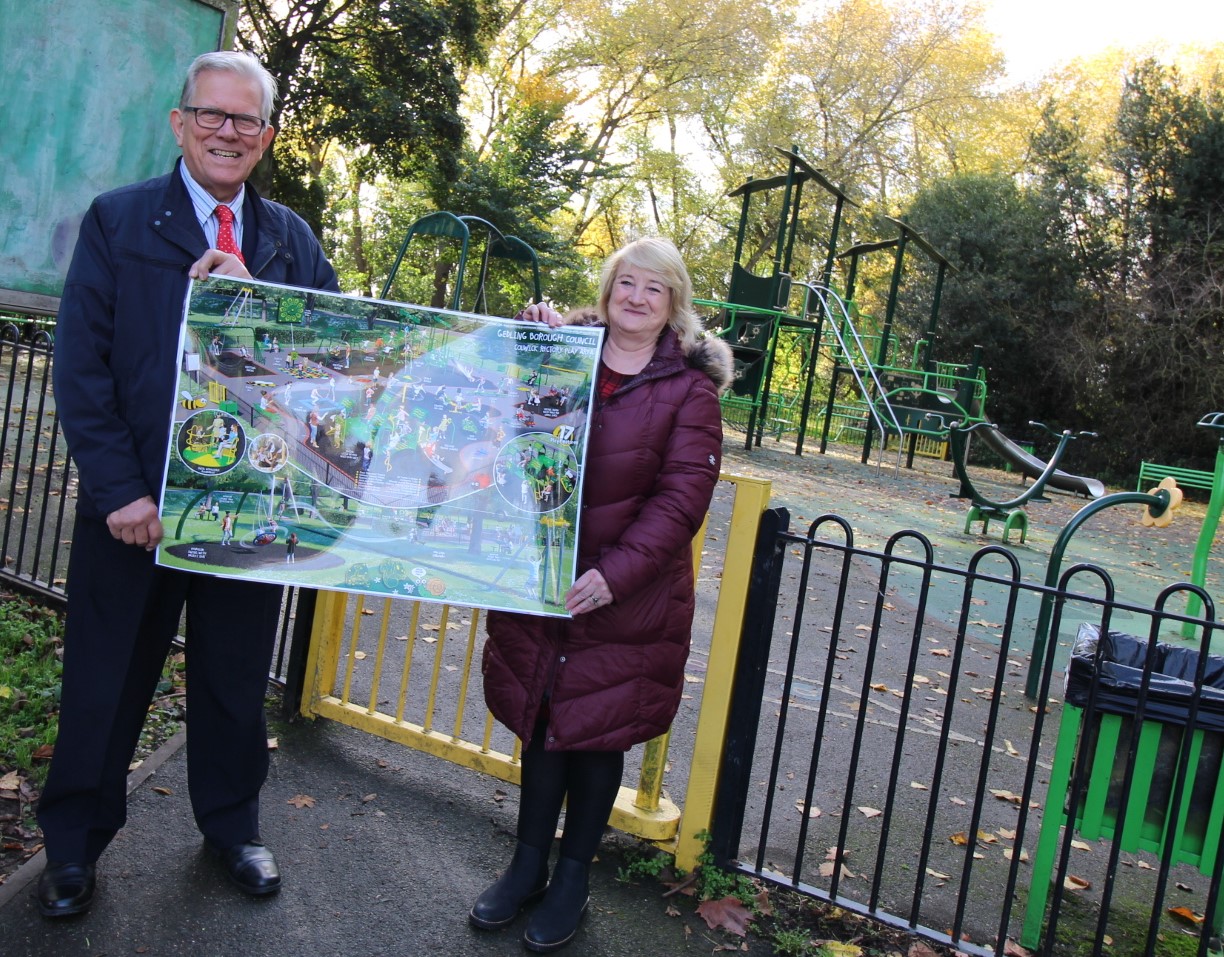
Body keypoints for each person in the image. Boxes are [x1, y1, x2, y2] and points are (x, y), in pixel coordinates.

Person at [38, 50, 339, 919]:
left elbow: (331, 367)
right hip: (135, 514)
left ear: (267, 137)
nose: (226, 132)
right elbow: (82, 367)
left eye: (245, 120)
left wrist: (266, 301)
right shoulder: (120, 220)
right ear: (180, 122)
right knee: (106, 678)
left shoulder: (289, 240)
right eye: (211, 114)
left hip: (248, 512)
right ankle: (73, 847)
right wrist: (120, 489)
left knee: (232, 681)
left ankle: (232, 826)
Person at [472, 237, 733, 952]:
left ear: (674, 303)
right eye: (627, 282)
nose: (638, 296)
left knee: (598, 730)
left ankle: (572, 878)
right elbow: (504, 427)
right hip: (546, 573)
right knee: (544, 715)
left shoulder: (689, 390)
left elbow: (682, 500)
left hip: (626, 591)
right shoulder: (565, 352)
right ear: (609, 287)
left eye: (655, 287)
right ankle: (527, 863)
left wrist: (614, 576)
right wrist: (529, 341)